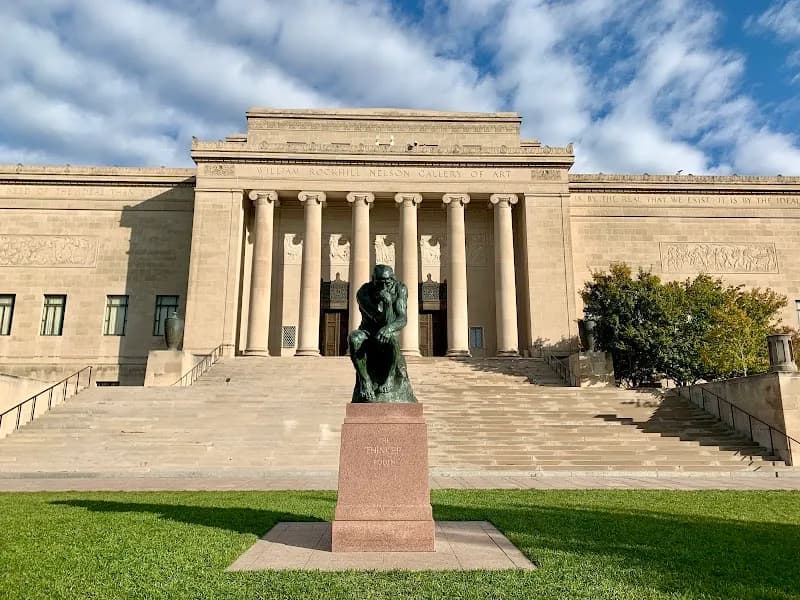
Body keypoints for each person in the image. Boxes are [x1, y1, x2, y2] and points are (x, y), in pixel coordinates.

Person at [349, 264, 415, 403]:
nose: (384, 287)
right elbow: (378, 318)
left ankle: (390, 378)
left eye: (387, 282)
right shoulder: (363, 292)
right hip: (369, 332)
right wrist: (387, 303)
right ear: (373, 279)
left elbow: (402, 318)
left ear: (393, 279)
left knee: (391, 338)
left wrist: (389, 328)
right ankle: (365, 380)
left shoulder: (399, 289)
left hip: (387, 332)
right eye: (380, 283)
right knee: (354, 339)